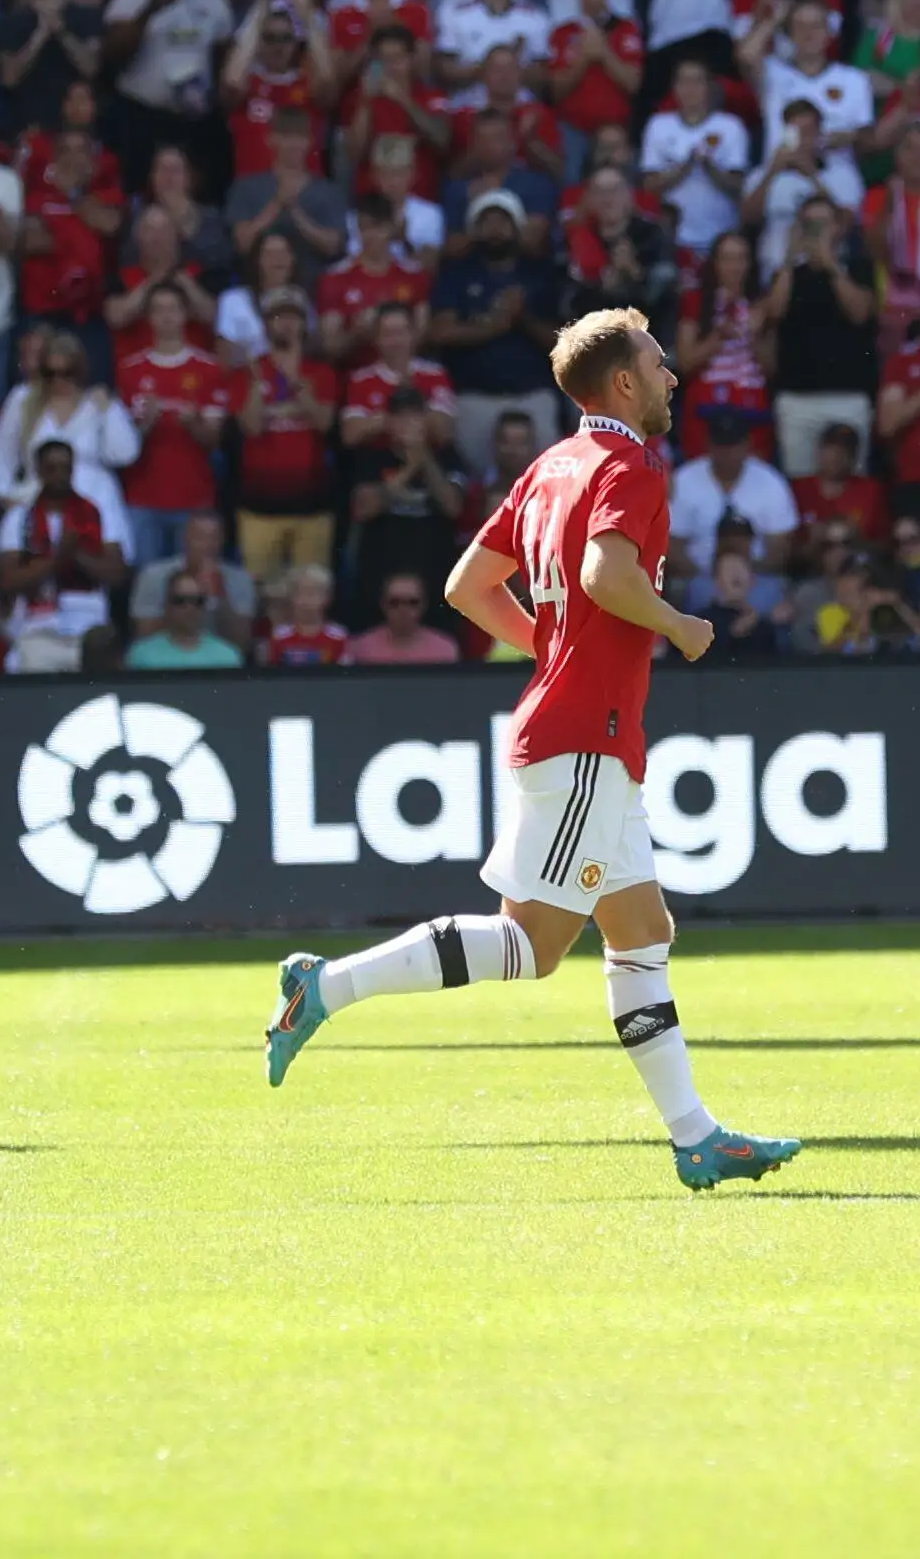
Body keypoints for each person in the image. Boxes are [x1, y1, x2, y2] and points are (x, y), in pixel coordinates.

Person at [263, 307, 801, 1194]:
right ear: (623, 383)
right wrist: (678, 624)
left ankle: (696, 1136)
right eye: (660, 365)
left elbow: (466, 586)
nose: (674, 378)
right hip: (586, 738)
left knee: (643, 933)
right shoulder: (631, 462)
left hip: (582, 735)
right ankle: (324, 987)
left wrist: (549, 649)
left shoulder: (552, 467)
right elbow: (604, 577)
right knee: (531, 947)